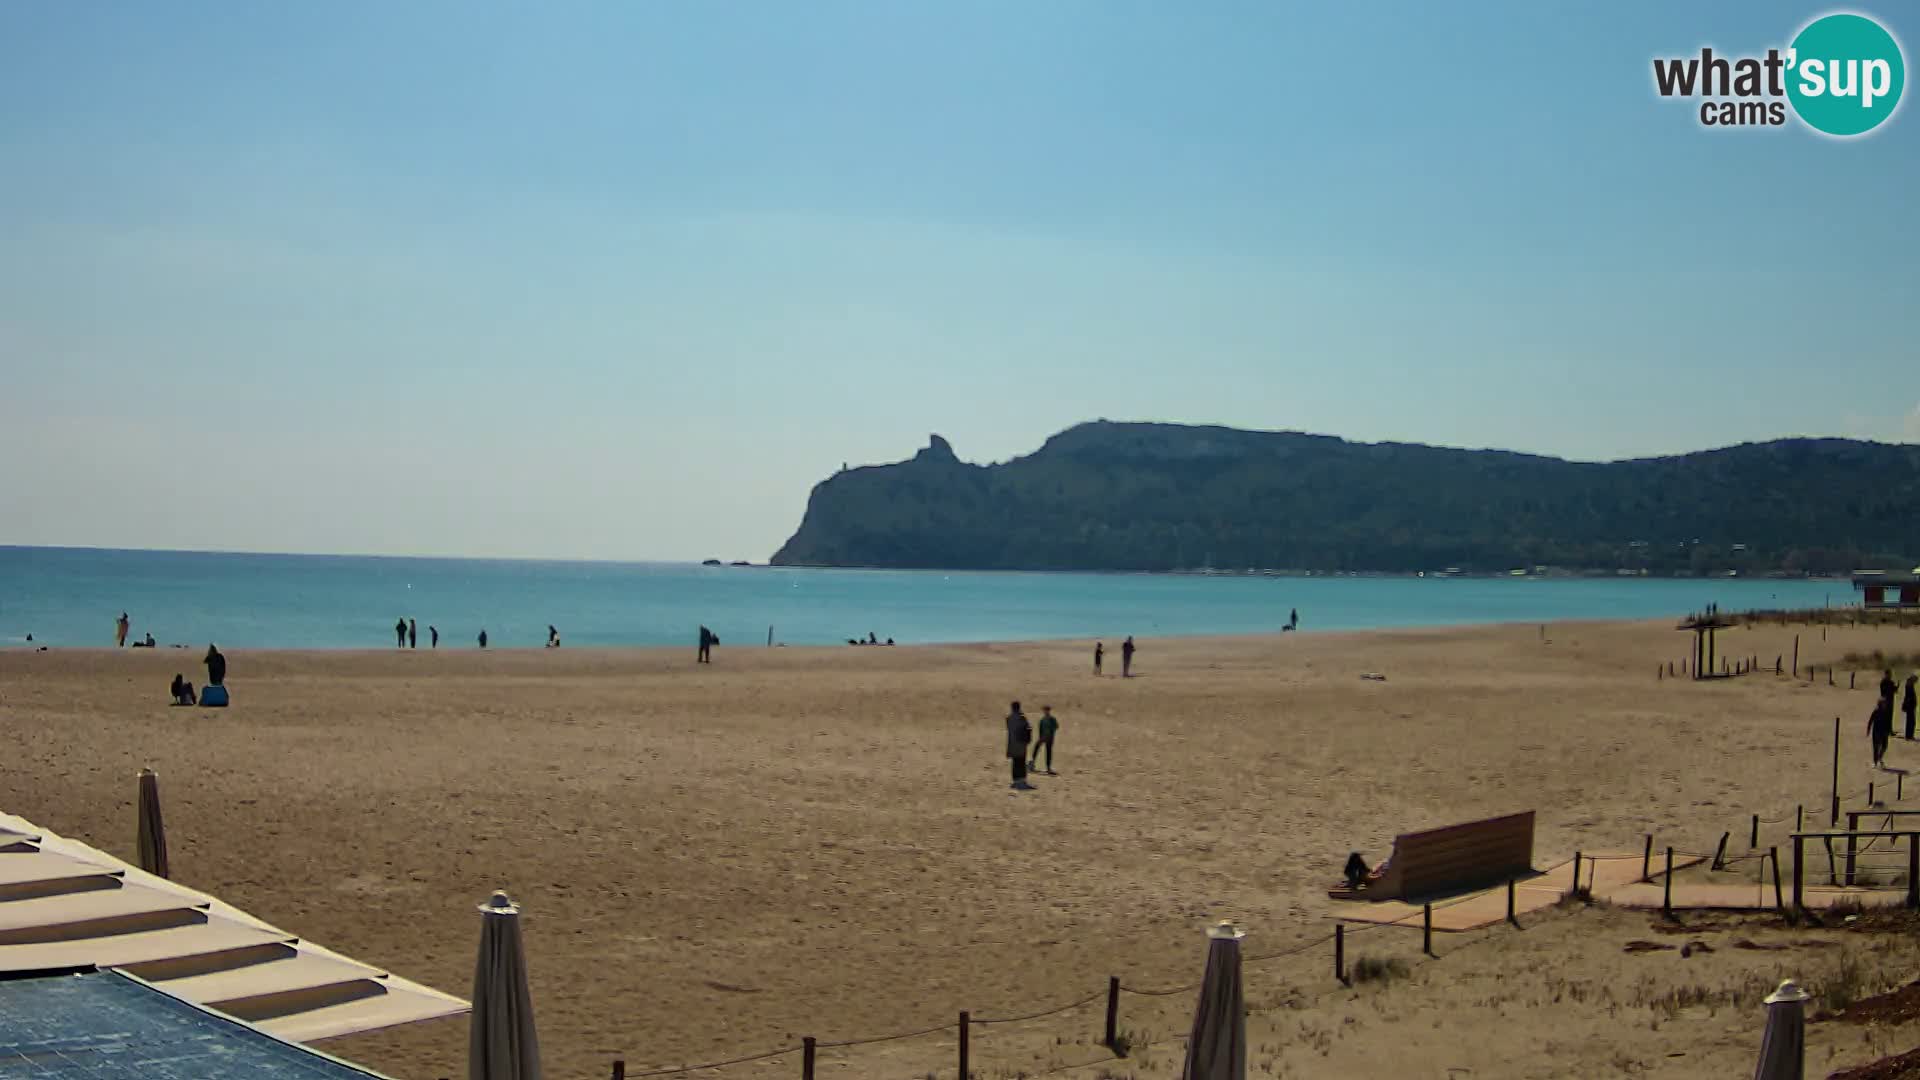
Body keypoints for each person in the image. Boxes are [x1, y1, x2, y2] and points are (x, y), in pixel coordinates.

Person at [1006, 701, 1032, 788]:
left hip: (1012, 744)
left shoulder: (1009, 718)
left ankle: (1015, 781)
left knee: (1015, 763)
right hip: (1021, 744)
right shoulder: (1022, 718)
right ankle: (1022, 781)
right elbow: (1028, 728)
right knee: (1021, 762)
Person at [1030, 705, 1060, 775]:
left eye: (1046, 710)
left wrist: (1050, 733)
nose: (1045, 711)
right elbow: (1040, 729)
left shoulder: (1052, 719)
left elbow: (1056, 727)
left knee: (1048, 752)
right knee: (1036, 747)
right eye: (1044, 710)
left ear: (1049, 711)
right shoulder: (1043, 719)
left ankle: (1048, 767)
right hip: (1043, 737)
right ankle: (1032, 763)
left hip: (1049, 738)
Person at [1869, 691, 1894, 767]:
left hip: (1884, 731)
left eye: (1885, 703)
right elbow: (1871, 720)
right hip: (1876, 731)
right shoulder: (1876, 711)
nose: (1885, 704)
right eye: (1883, 703)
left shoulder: (1887, 711)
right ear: (1880, 704)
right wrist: (1868, 729)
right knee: (1876, 747)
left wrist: (1890, 731)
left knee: (1884, 746)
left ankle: (1880, 757)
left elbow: (1889, 721)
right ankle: (1875, 762)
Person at [1906, 674, 1918, 741]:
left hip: (1910, 706)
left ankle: (1909, 735)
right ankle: (1909, 736)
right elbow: (1909, 697)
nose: (1915, 682)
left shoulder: (1909, 685)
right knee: (1911, 722)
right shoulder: (1909, 686)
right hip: (1910, 706)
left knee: (1910, 721)